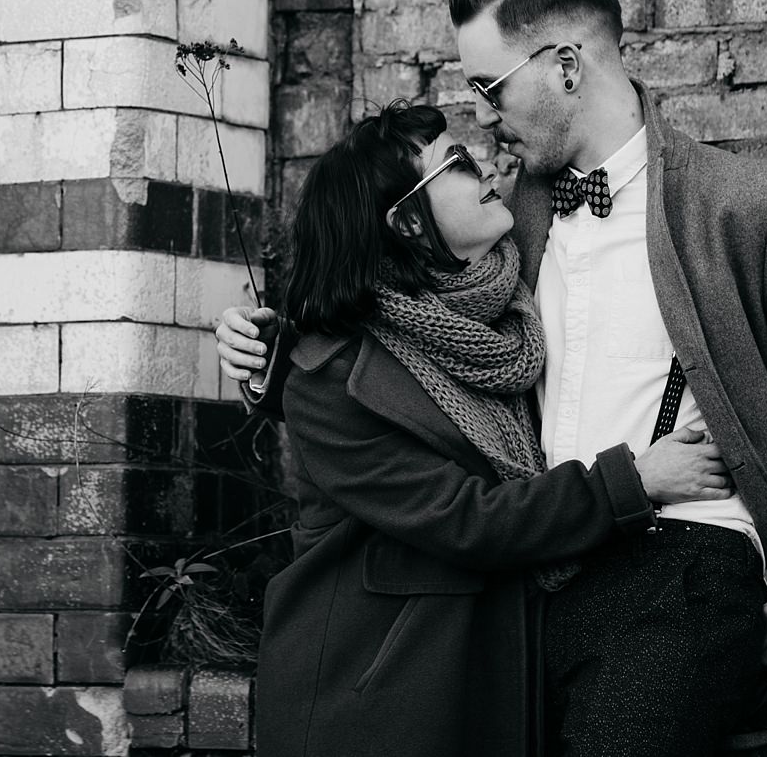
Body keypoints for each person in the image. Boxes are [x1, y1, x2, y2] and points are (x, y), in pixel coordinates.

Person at [218, 0, 767, 756]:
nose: (479, 118)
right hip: (522, 582)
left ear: (567, 66)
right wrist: (270, 354)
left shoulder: (745, 206)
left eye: (490, 87)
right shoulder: (506, 213)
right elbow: (391, 322)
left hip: (680, 559)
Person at [255, 99, 733, 757]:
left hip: (493, 671)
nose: (483, 167)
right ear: (409, 225)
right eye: (455, 163)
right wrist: (634, 481)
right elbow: (466, 518)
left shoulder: (504, 322)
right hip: (377, 698)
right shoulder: (330, 381)